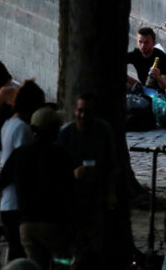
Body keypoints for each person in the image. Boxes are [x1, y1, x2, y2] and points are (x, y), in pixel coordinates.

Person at [0, 107, 75, 269]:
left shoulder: (19, 153)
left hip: (27, 223)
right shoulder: (60, 154)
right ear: (55, 128)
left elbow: (1, 181)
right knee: (62, 261)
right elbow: (70, 186)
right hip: (54, 222)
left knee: (35, 265)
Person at [57, 95, 117, 264]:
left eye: (87, 111)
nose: (83, 115)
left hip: (96, 195)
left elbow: (112, 164)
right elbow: (56, 169)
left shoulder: (103, 131)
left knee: (95, 241)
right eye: (80, 111)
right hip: (72, 197)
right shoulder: (66, 134)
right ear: (75, 111)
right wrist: (73, 174)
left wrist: (111, 194)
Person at [0, 81, 45, 261]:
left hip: (8, 201)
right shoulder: (22, 129)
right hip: (18, 201)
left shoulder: (8, 125)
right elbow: (23, 162)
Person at [126, 27, 166, 93]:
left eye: (146, 42)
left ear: (154, 43)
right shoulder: (135, 54)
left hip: (158, 95)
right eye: (140, 42)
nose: (143, 46)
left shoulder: (162, 57)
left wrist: (158, 77)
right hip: (143, 88)